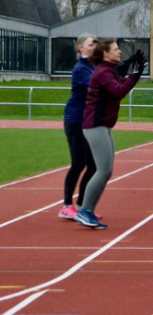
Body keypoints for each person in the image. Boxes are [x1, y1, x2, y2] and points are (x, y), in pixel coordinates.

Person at [76, 40, 145, 229]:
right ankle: (84, 210)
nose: (120, 51)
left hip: (103, 125)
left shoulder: (108, 69)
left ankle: (87, 210)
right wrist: (135, 75)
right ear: (106, 53)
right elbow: (118, 90)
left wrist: (130, 71)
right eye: (116, 49)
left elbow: (120, 80)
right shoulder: (103, 71)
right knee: (103, 170)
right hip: (95, 125)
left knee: (106, 171)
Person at [60, 34, 98, 220]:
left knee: (93, 165)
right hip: (76, 120)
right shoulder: (81, 69)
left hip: (89, 121)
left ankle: (82, 205)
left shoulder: (94, 66)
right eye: (91, 44)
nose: (95, 46)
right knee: (79, 163)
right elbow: (97, 85)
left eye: (96, 43)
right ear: (80, 48)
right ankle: (66, 206)